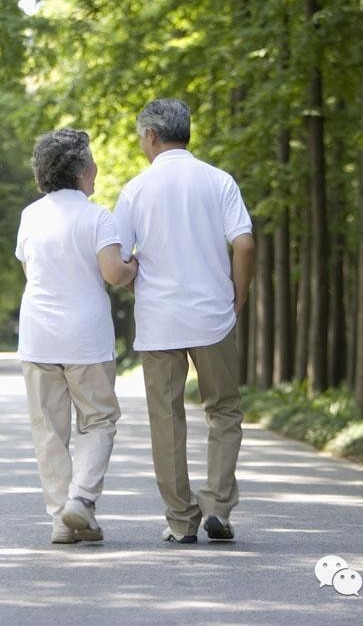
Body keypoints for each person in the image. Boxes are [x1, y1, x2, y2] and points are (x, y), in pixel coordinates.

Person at [113, 98, 255, 544]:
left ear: (151, 136)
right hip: (213, 315)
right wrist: (238, 298)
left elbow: (118, 262)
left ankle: (181, 519)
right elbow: (245, 245)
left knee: (167, 417)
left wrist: (140, 284)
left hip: (159, 322)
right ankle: (218, 506)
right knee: (224, 411)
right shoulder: (220, 181)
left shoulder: (135, 190)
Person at [16, 128, 138, 545]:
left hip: (38, 338)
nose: (97, 169)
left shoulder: (30, 216)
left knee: (48, 429)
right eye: (92, 162)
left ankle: (60, 521)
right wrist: (134, 266)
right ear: (82, 170)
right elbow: (114, 274)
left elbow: (30, 270)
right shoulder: (98, 217)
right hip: (85, 339)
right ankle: (82, 501)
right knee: (99, 421)